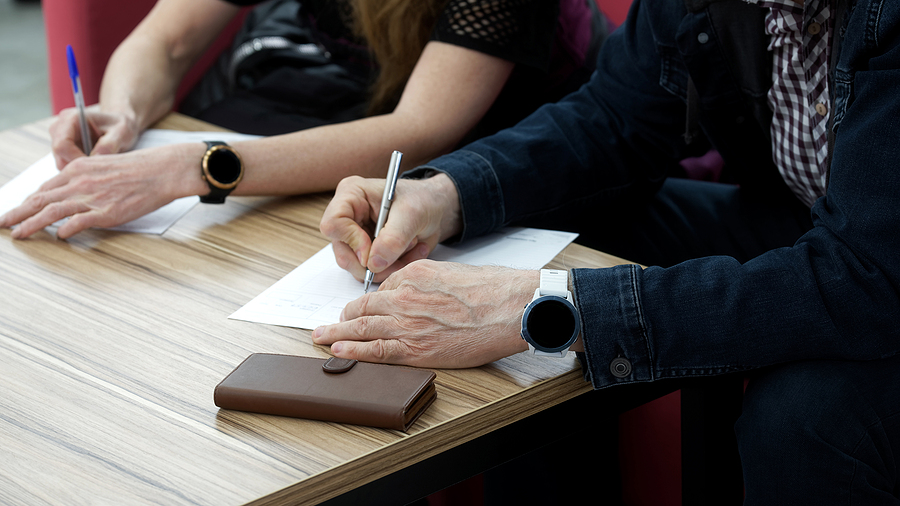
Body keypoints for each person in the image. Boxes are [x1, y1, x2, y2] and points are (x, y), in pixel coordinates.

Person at [315, 0, 900, 502]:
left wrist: (545, 308)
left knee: (803, 421)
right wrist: (445, 195)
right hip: (809, 223)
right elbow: (615, 119)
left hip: (875, 266)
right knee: (566, 245)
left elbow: (869, 275)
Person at [0, 0, 607, 239]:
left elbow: (420, 129)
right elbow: (168, 42)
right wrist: (125, 113)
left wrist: (201, 164)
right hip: (332, 91)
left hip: (498, 148)